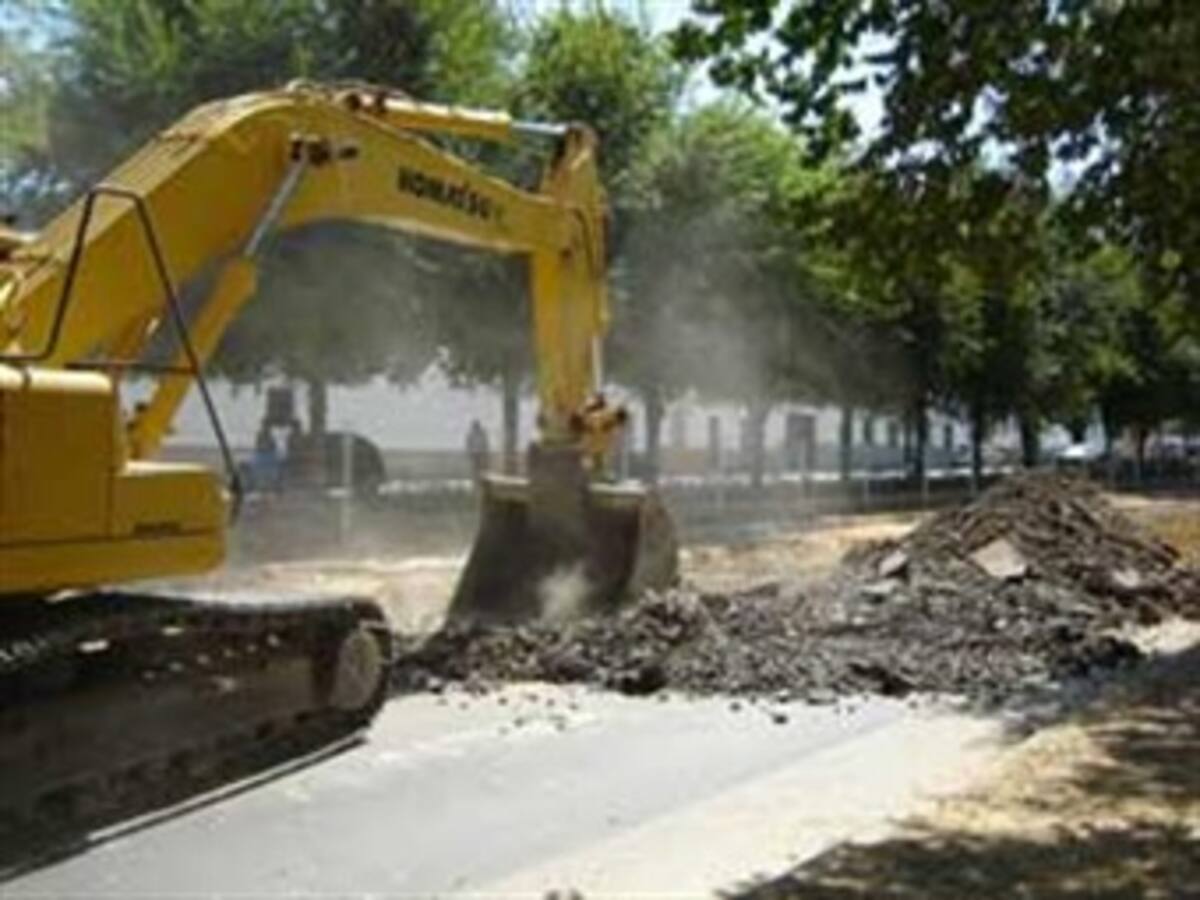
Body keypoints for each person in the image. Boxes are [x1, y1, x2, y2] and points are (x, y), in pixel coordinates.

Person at [466, 419, 490, 483]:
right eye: (475, 426)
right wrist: (470, 452)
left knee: (482, 467)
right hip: (475, 453)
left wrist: (485, 451)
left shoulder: (482, 433)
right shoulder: (471, 434)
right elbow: (469, 444)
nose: (476, 427)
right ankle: (476, 479)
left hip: (480, 453)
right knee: (476, 467)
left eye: (476, 425)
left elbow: (485, 443)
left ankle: (481, 479)